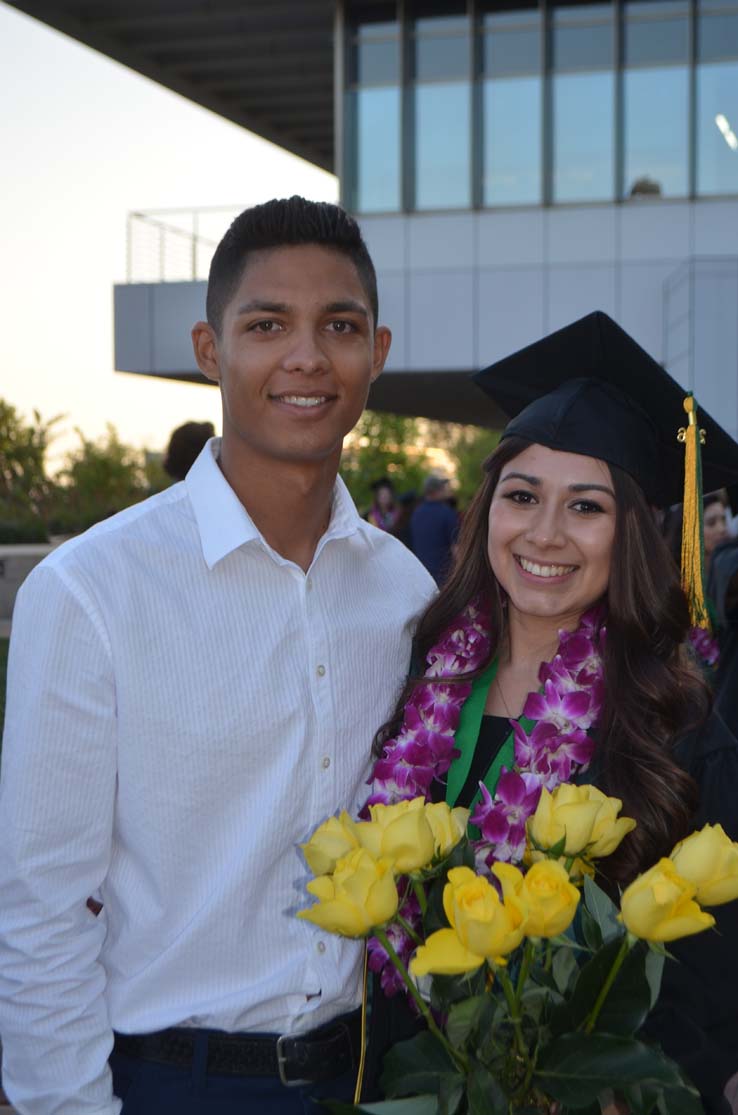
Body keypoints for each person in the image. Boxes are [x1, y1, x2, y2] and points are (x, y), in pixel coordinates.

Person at [0, 197, 436, 1115]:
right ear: (211, 348)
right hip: (170, 1084)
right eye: (267, 324)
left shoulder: (407, 595)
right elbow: (41, 913)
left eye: (340, 326)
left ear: (378, 352)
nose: (308, 356)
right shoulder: (90, 593)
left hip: (374, 1080)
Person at [367, 312, 738, 1113]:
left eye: (586, 507)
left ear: (632, 530)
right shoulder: (423, 678)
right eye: (523, 495)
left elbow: (714, 983)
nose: (544, 533)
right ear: (487, 508)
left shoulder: (676, 723)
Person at [409, 473, 459, 584]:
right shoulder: (447, 513)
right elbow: (456, 549)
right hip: (444, 577)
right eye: (442, 488)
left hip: (422, 576)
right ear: (437, 491)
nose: (444, 490)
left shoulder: (416, 514)